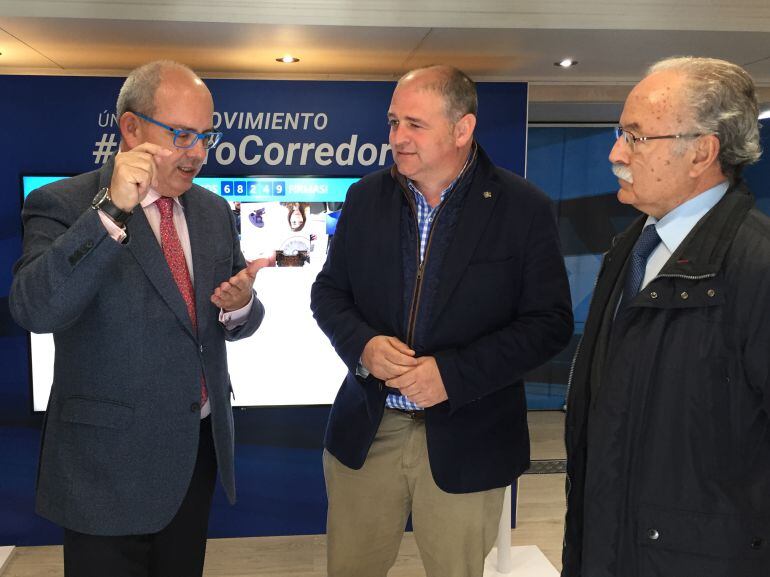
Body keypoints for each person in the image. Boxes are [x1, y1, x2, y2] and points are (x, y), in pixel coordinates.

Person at [310, 64, 573, 577]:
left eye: (414, 124)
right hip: (369, 427)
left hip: (469, 435)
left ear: (462, 129)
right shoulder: (365, 199)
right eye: (393, 123)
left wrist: (451, 375)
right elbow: (328, 293)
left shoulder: (522, 209)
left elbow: (549, 323)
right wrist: (363, 345)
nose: (397, 138)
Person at [10, 60, 266, 577]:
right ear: (131, 127)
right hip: (104, 470)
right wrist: (110, 213)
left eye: (205, 137)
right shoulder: (63, 203)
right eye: (181, 134)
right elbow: (35, 309)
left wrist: (239, 306)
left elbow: (231, 316)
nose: (196, 153)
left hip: (193, 456)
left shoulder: (212, 213)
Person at [563, 56, 770, 577]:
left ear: (701, 151)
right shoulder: (631, 247)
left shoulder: (758, 268)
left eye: (635, 137)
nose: (615, 153)